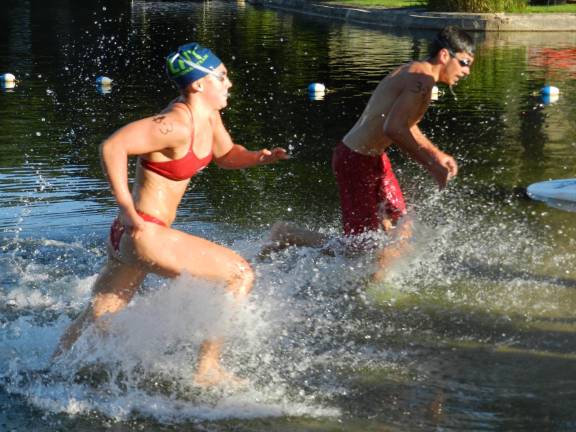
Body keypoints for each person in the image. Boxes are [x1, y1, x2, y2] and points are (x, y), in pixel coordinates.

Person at [53, 42, 288, 386]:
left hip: (130, 236)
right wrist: (125, 205)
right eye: (221, 77)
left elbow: (225, 155)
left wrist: (256, 158)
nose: (229, 84)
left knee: (98, 318)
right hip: (144, 231)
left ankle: (50, 372)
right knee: (240, 274)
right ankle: (207, 369)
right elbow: (112, 146)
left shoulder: (208, 116)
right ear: (198, 84)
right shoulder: (173, 124)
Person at [265, 26, 474, 279]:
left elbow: (405, 123)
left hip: (374, 159)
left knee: (400, 225)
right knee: (359, 248)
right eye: (464, 62)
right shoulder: (420, 80)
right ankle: (288, 234)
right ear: (444, 55)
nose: (466, 71)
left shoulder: (422, 78)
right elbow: (394, 128)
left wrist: (436, 154)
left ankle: (380, 281)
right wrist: (430, 165)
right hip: (354, 160)